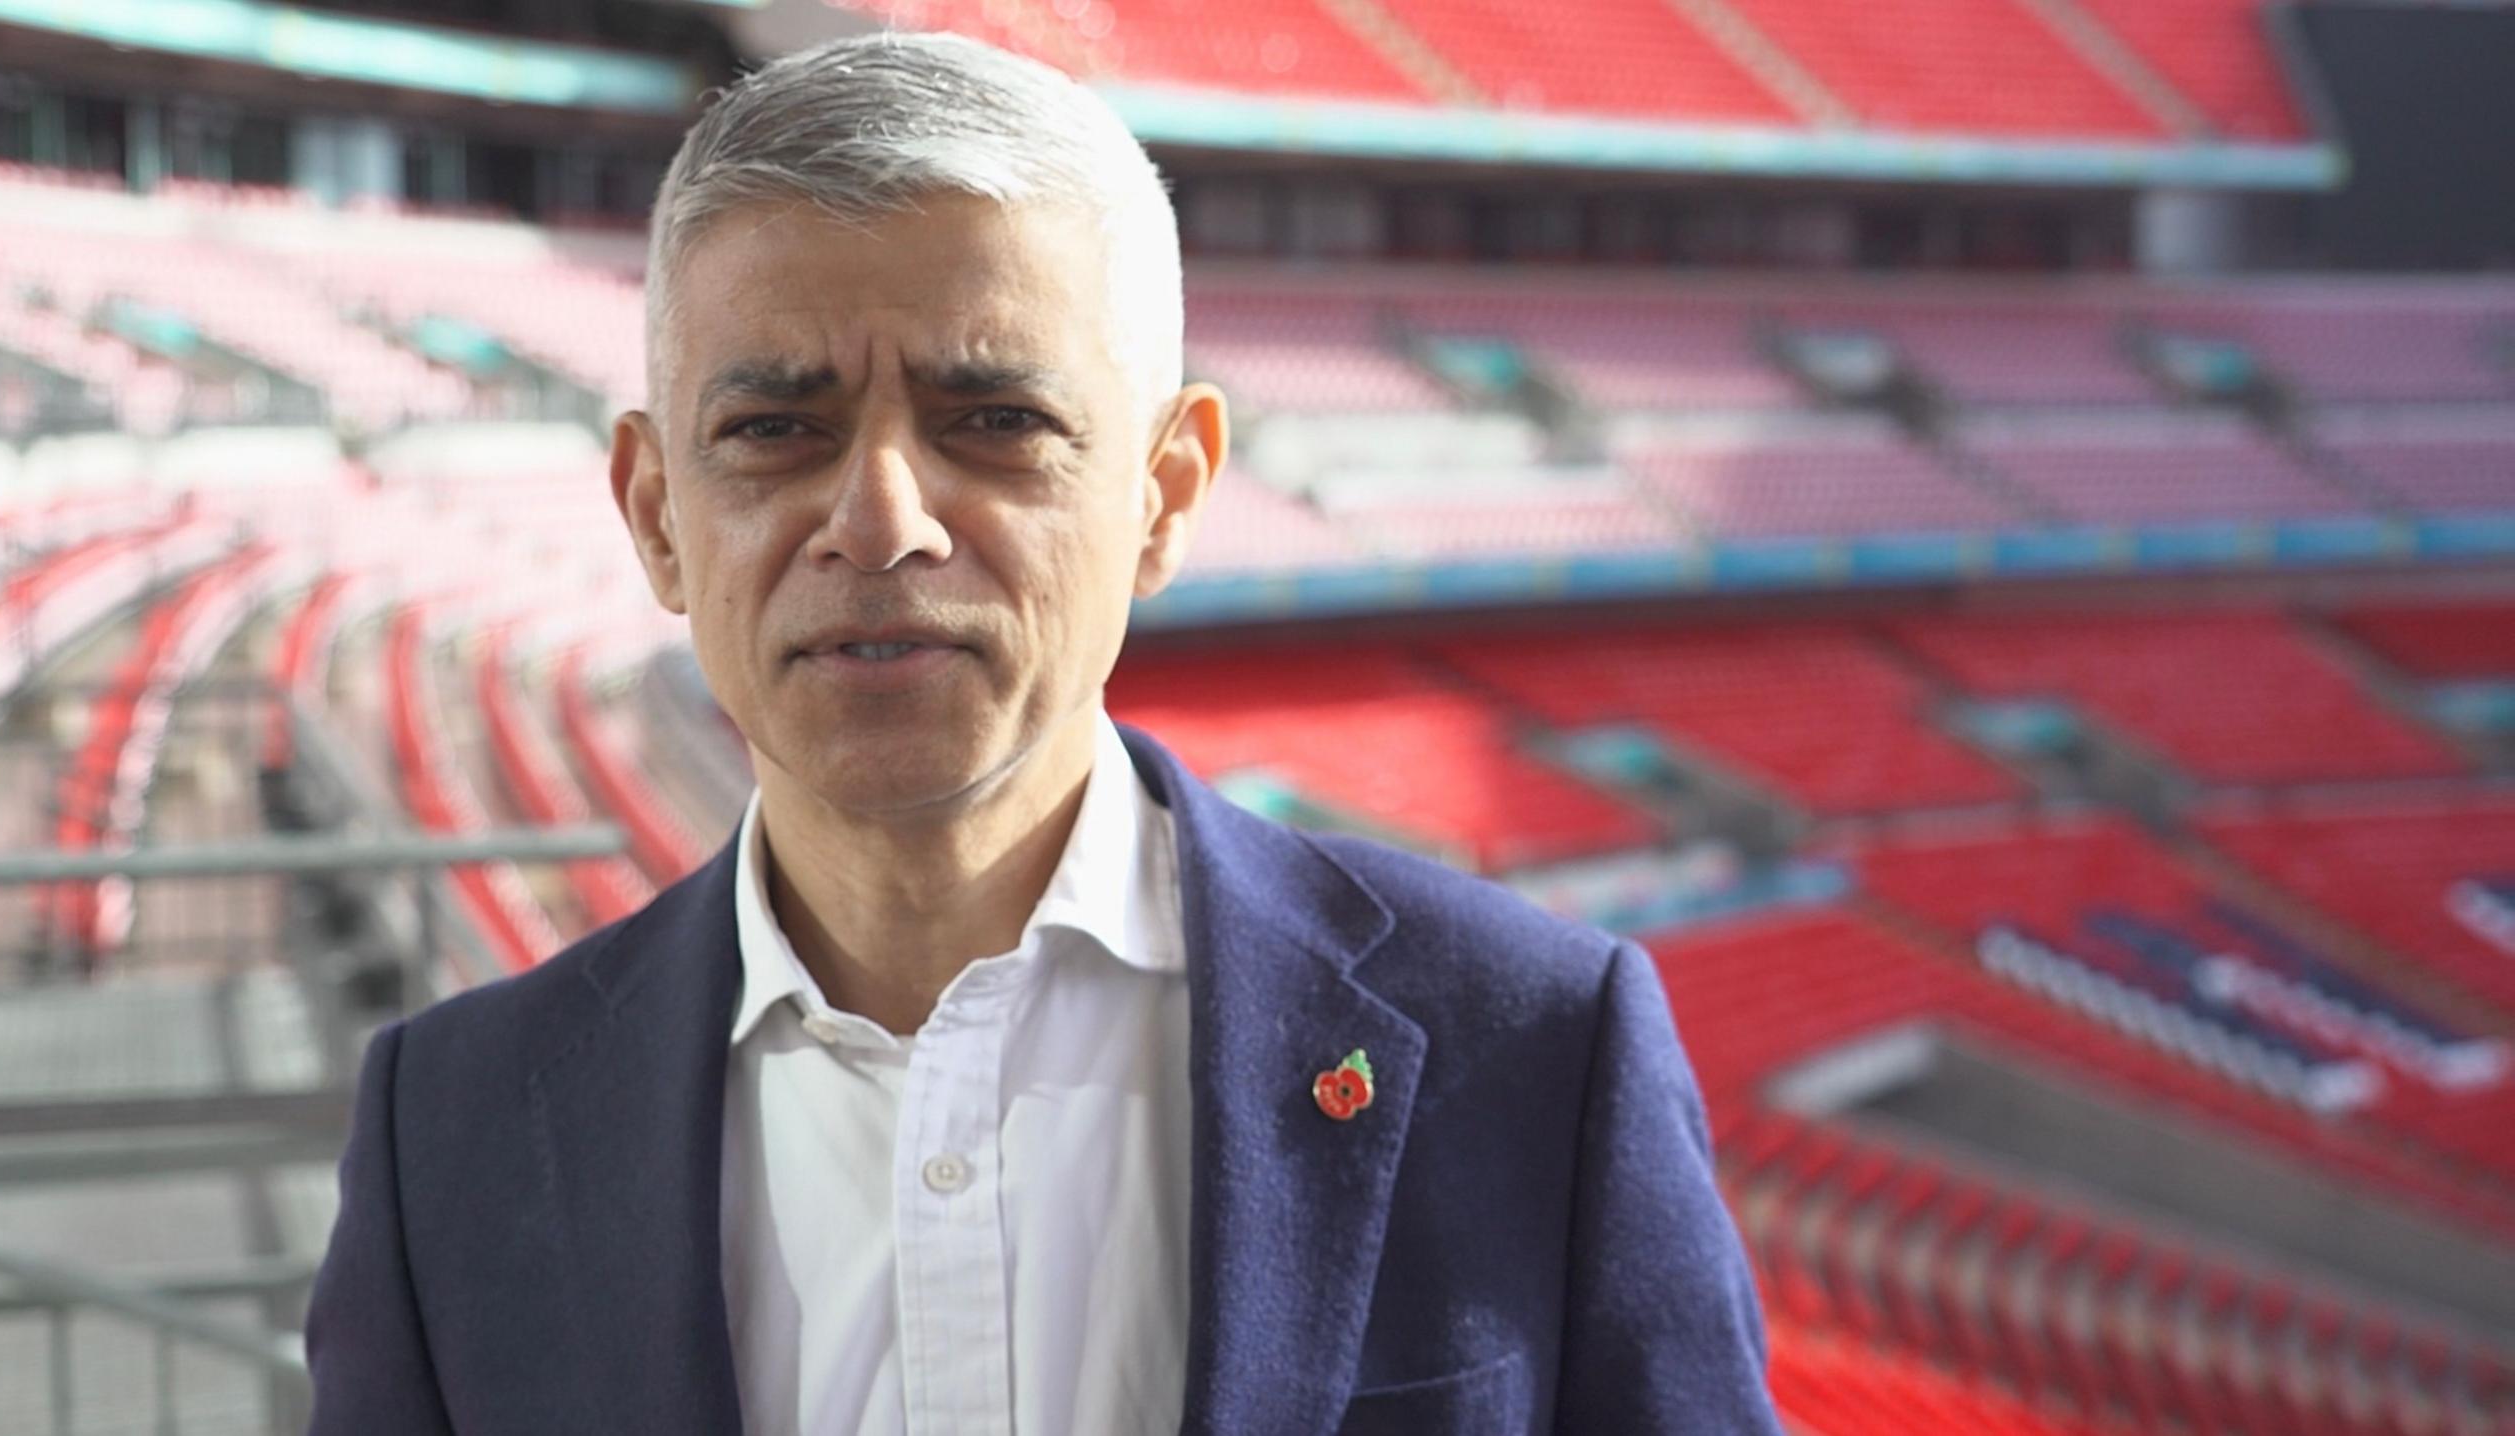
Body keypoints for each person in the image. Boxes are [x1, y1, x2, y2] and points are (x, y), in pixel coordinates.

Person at [305, 30, 1777, 1435]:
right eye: (775, 430)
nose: (880, 519)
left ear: (1166, 493)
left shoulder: (1533, 1051)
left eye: (994, 419)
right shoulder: (454, 1133)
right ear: (654, 516)